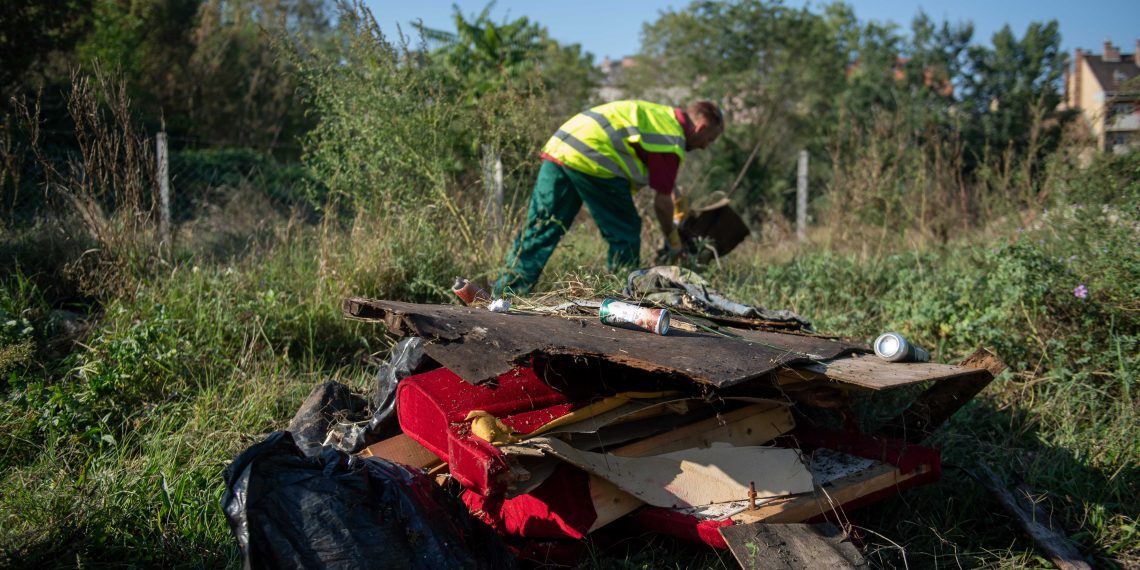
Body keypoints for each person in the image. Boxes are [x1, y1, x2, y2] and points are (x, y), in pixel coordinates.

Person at [493, 99, 723, 296]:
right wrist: (674, 242)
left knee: (542, 226)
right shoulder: (671, 138)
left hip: (562, 145)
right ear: (700, 127)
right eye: (710, 140)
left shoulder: (660, 117)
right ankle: (623, 298)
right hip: (593, 156)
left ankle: (505, 292)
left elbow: (662, 179)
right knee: (626, 231)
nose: (705, 147)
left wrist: (676, 195)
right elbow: (661, 203)